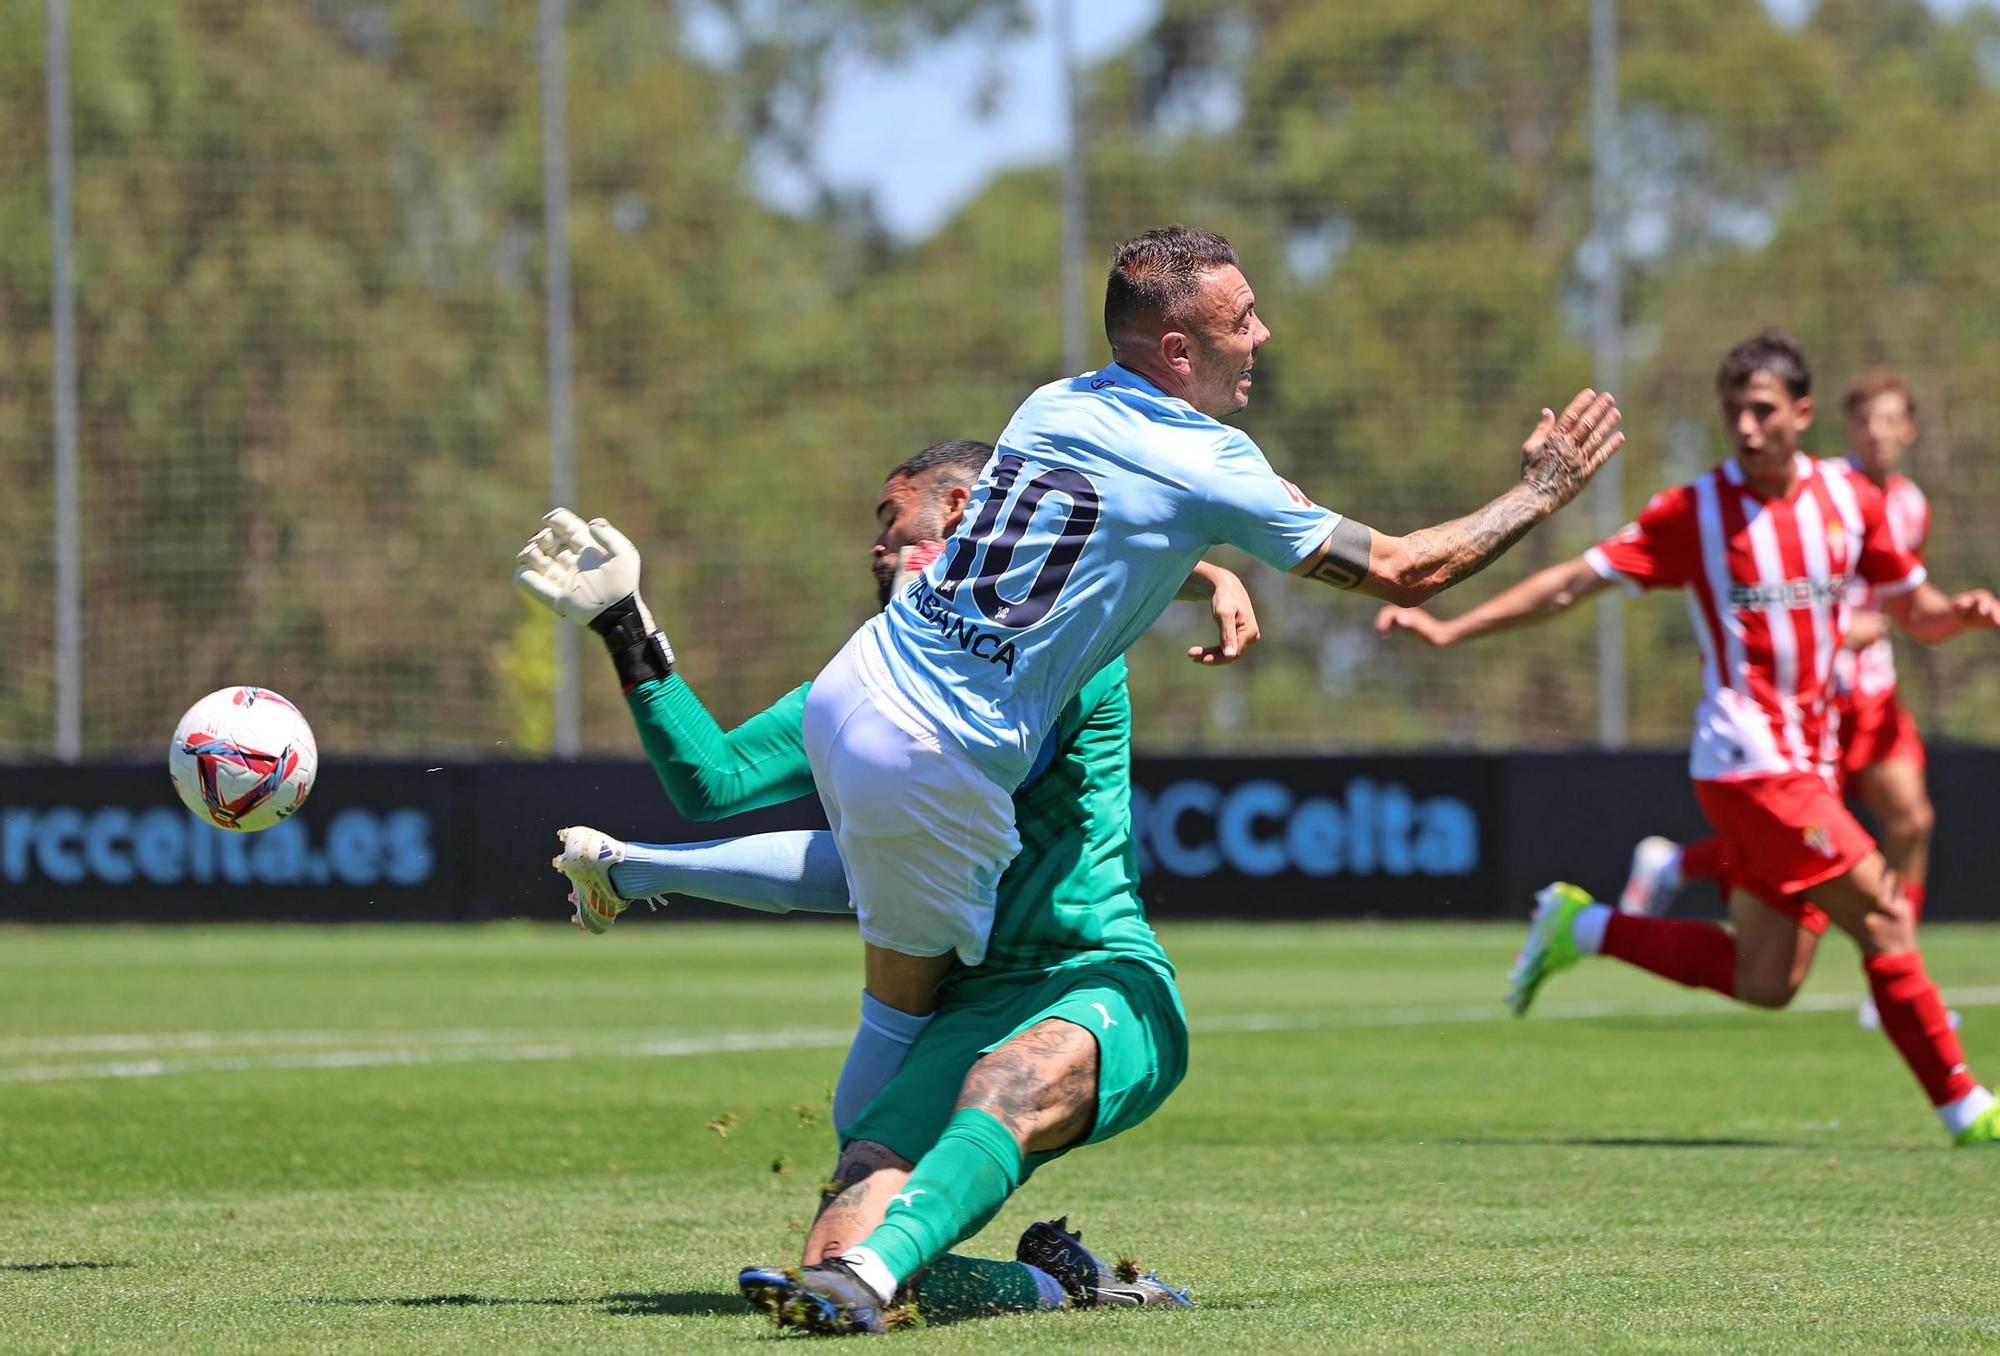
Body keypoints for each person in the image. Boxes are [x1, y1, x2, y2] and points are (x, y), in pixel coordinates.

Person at [760, 225, 1619, 1329]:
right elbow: (1410, 567)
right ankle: (879, 1252)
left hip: (854, 688)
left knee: (868, 1179)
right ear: (1177, 349)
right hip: (934, 753)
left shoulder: (1051, 405)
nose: (1262, 335)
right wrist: (1541, 491)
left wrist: (1203, 567)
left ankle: (927, 1260)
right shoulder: (1206, 461)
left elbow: (1088, 545)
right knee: (904, 1031)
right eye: (1241, 319)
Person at [514, 438, 1259, 1330]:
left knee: (1005, 1084)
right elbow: (712, 780)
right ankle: (1062, 1285)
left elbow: (949, 792)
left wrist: (1196, 569)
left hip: (1088, 976)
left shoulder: (1064, 654)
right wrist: (625, 627)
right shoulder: (868, 688)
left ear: (961, 512)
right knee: (830, 1264)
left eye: (890, 518)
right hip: (966, 1002)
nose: (875, 543)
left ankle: (635, 873)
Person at [1375, 331, 2000, 1148]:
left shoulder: (1853, 503)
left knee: (1767, 978)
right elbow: (1572, 585)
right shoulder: (1694, 511)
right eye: (1734, 410)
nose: (1745, 426)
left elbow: (1915, 610)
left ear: (1802, 414)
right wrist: (1454, 629)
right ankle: (1966, 1107)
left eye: (1763, 410)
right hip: (1748, 762)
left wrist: (1959, 615)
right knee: (1884, 912)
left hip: (1810, 764)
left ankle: (1584, 928)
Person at [1621, 371, 1936, 926]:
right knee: (1797, 844)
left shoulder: (1912, 505)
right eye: (1865, 421)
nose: (1877, 433)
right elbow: (1783, 595)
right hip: (1809, 694)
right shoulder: (1825, 487)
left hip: (1873, 693)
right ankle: (1675, 866)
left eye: (1889, 421)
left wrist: (1958, 614)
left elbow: (1905, 597)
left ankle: (1898, 942)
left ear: (1909, 429)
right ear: (1846, 427)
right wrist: (1838, 630)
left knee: (1912, 819)